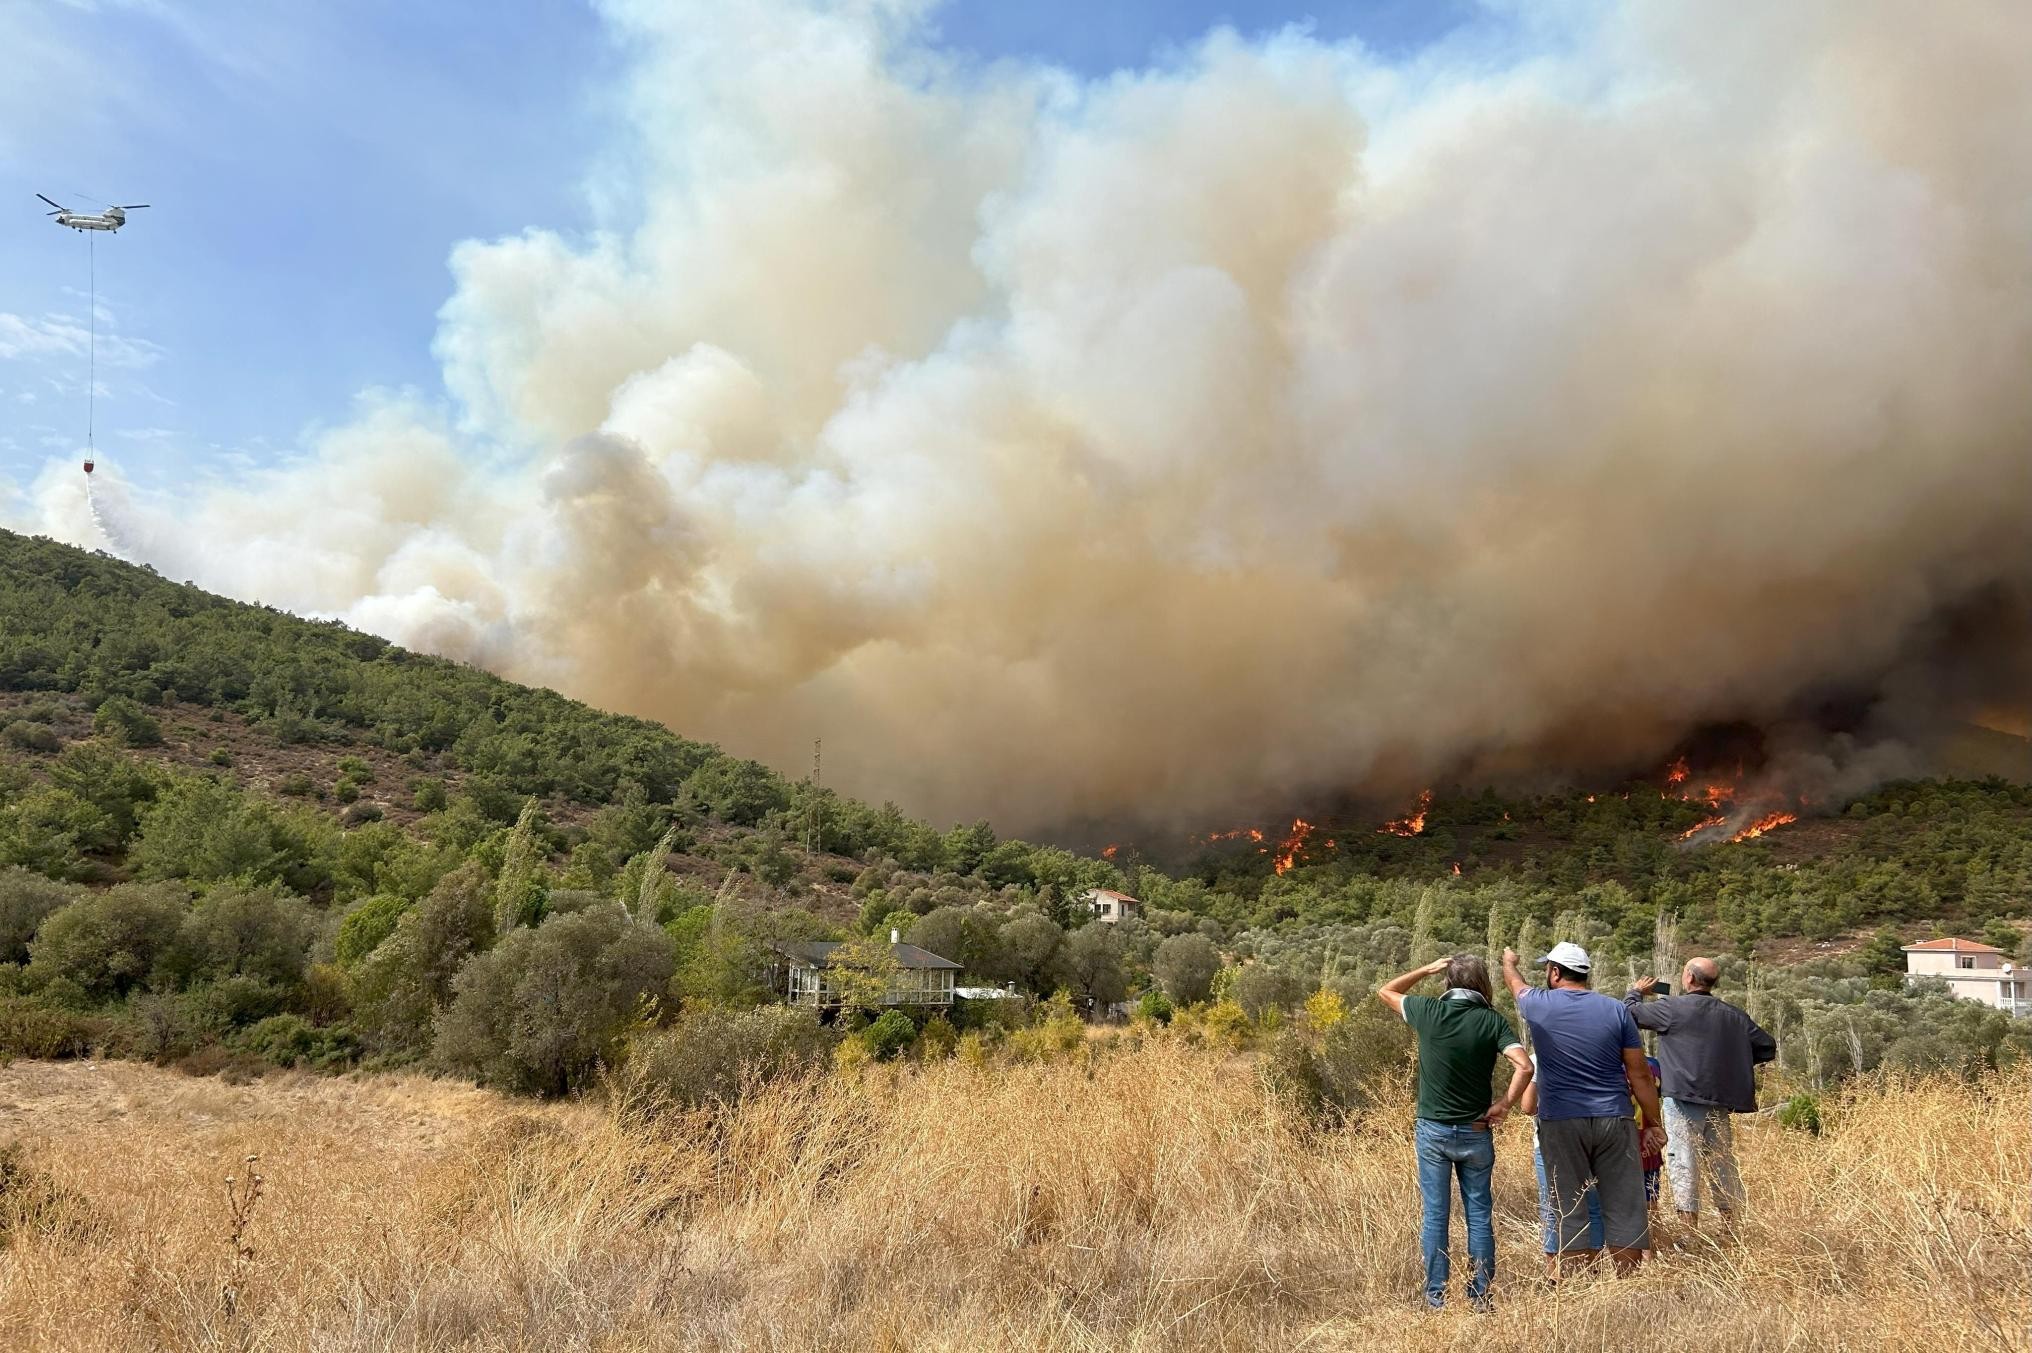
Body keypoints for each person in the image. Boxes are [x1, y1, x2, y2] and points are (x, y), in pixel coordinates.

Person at [1378, 953, 1533, 1311]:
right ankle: (1480, 1297)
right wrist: (1504, 1105)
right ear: (1482, 984)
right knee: (1479, 1215)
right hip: (1477, 1131)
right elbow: (1524, 1066)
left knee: (1435, 1214)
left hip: (1433, 1131)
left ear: (1448, 982)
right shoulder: (1492, 1021)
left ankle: (1436, 1298)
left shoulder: (1428, 1011)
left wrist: (1424, 969)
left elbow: (1386, 991)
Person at [1502, 942, 1666, 1276]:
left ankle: (1575, 1286)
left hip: (1561, 1120)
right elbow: (1638, 1074)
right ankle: (1627, 1282)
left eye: (1548, 968)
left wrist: (1509, 961)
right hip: (1614, 1117)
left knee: (1568, 1202)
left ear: (1556, 972)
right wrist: (1652, 1122)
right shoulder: (1616, 1010)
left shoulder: (1539, 1004)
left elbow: (1514, 984)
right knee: (1624, 1203)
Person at [1628, 957, 1778, 1233]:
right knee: (1722, 1164)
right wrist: (1733, 1064)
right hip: (1720, 1101)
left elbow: (1630, 1014)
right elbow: (1767, 1046)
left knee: (1684, 1163)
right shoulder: (1734, 1016)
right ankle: (1731, 1230)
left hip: (1683, 1099)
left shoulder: (1672, 1009)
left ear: (1688, 978)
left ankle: (1689, 1235)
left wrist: (1636, 991)